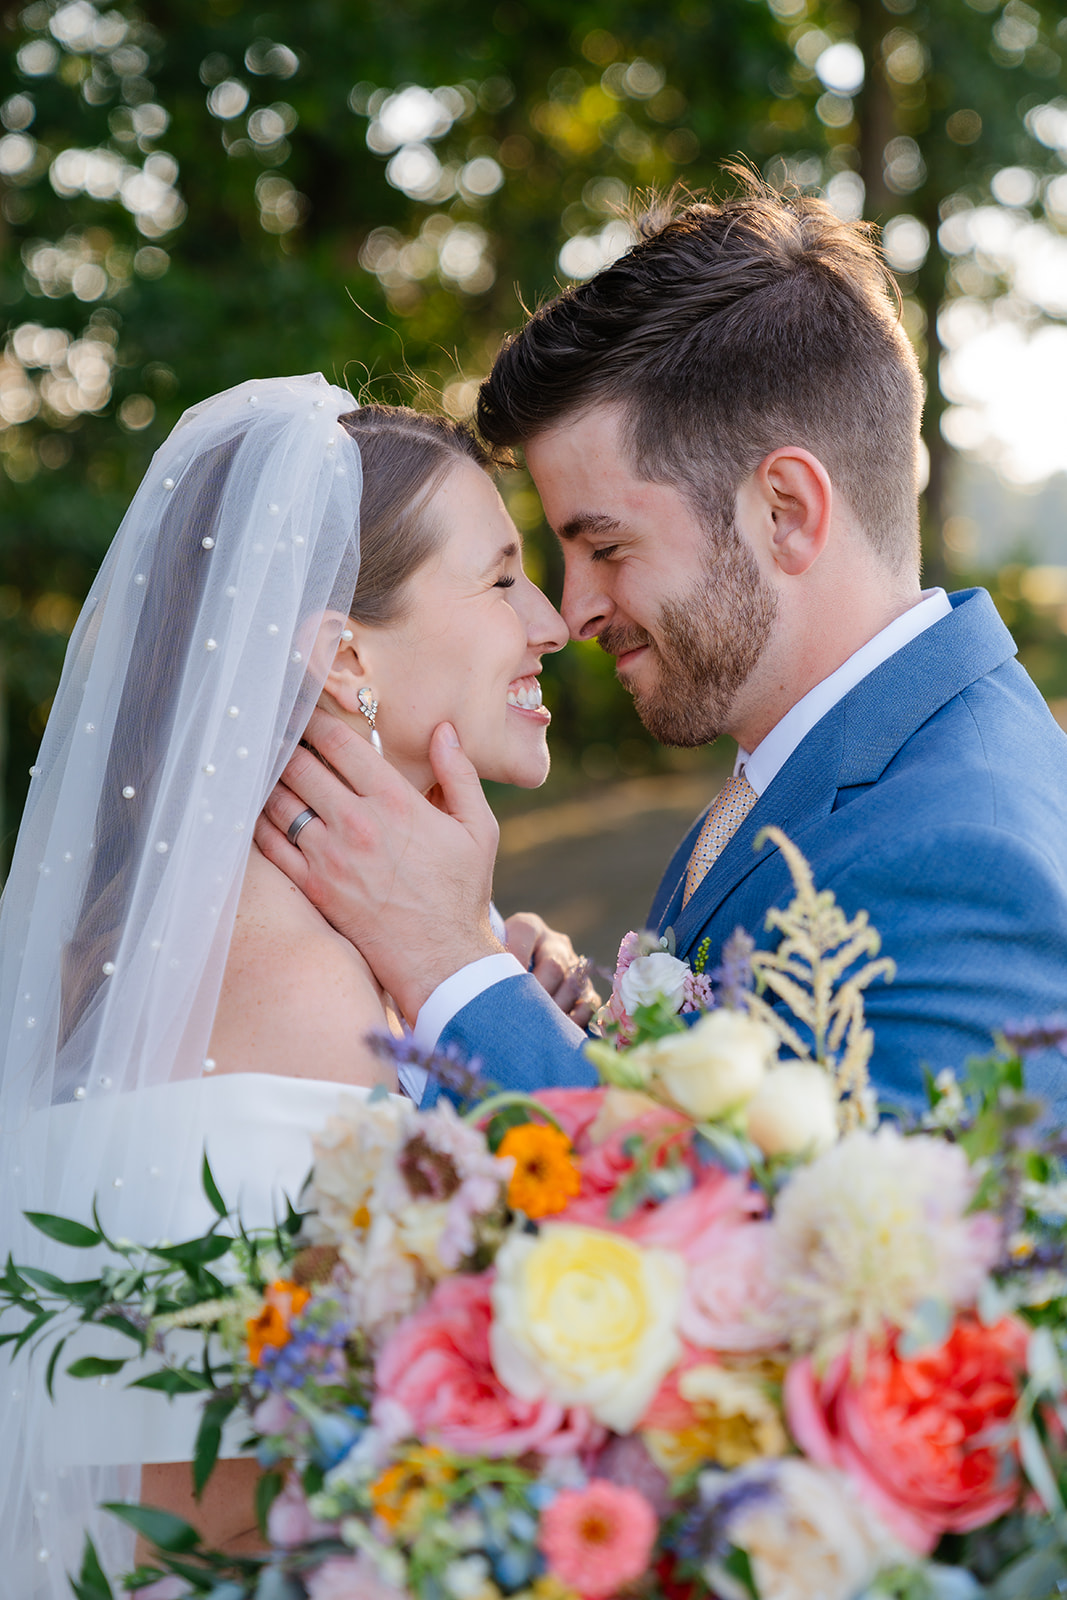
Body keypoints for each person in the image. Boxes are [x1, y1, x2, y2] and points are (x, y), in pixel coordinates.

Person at [257, 179, 1067, 1119]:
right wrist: (557, 1026)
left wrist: (449, 962)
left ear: (786, 512)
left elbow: (791, 1250)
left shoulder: (962, 857)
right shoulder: (812, 768)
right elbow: (718, 1135)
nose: (572, 613)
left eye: (605, 548)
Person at [0, 374, 584, 1596]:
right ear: (340, 658)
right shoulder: (308, 1003)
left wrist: (479, 980)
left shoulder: (262, 954)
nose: (551, 619)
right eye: (497, 577)